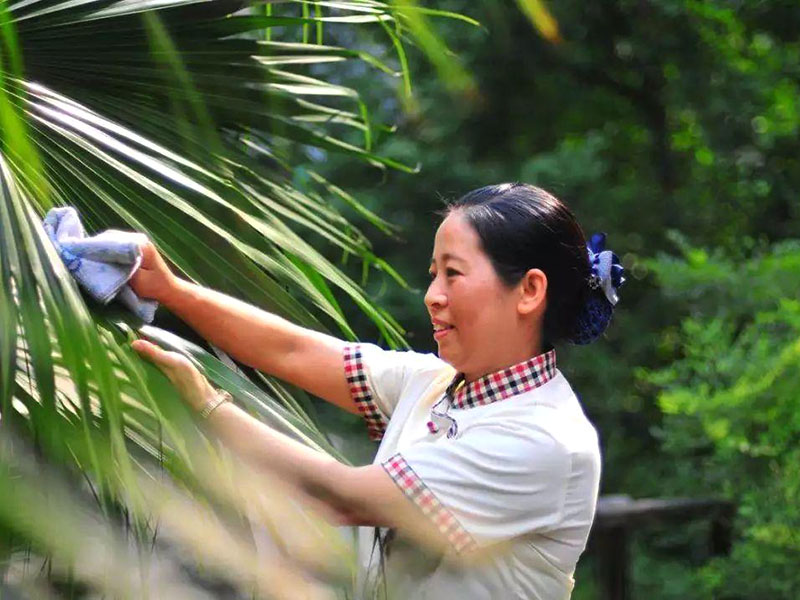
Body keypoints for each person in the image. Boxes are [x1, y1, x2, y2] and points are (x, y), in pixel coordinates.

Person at [130, 182, 624, 599]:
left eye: (453, 273)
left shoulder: (544, 439)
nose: (432, 294)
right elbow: (293, 352)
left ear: (530, 291)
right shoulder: (435, 385)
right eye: (435, 274)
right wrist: (171, 290)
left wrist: (209, 407)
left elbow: (342, 498)